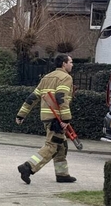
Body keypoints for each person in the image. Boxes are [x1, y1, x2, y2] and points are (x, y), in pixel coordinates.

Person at [16, 54, 77, 184]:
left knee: (61, 146)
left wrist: (21, 114)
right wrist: (66, 119)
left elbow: (32, 97)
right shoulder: (66, 77)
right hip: (57, 119)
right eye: (71, 62)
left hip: (47, 118)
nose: (72, 64)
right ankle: (28, 167)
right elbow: (61, 97)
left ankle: (62, 174)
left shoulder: (46, 77)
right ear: (64, 64)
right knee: (51, 146)